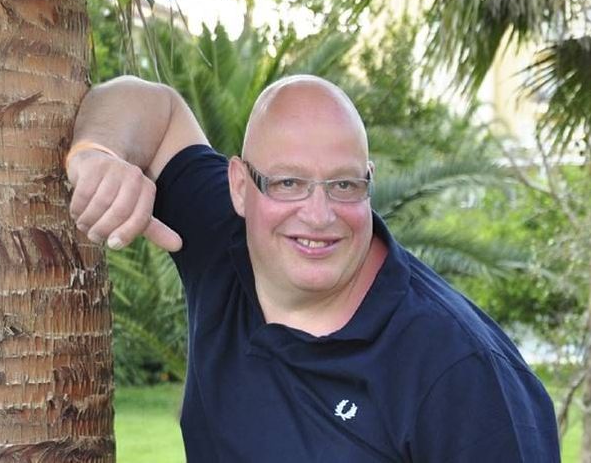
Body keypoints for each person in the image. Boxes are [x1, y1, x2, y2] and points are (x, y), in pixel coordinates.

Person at [66, 75, 561, 462]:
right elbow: (152, 105)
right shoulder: (224, 240)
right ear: (240, 186)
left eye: (344, 185)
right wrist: (96, 156)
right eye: (288, 183)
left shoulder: (461, 373)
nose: (319, 215)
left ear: (369, 181)